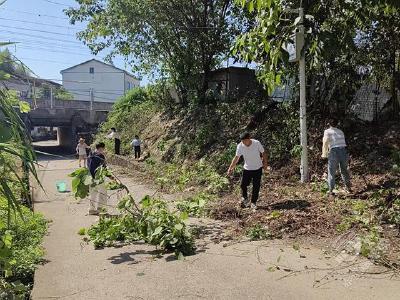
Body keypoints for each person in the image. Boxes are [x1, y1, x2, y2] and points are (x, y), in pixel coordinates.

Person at [227, 132, 268, 210]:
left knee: (256, 186)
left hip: (257, 168)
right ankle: (245, 198)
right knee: (243, 185)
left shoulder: (256, 143)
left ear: (249, 138)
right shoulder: (240, 146)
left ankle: (253, 202)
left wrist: (265, 164)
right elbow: (236, 158)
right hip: (247, 168)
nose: (244, 143)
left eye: (245, 141)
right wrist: (230, 168)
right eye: (242, 141)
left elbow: (264, 153)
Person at [322, 118, 352, 195]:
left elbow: (325, 142)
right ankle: (348, 188)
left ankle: (331, 190)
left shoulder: (327, 131)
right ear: (337, 124)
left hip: (334, 151)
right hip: (344, 151)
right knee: (344, 170)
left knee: (331, 172)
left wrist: (324, 154)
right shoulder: (340, 131)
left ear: (329, 124)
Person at [88, 142, 107, 215]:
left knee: (93, 193)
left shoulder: (90, 155)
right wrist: (111, 176)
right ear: (101, 148)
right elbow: (104, 168)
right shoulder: (100, 156)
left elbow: (89, 167)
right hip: (99, 178)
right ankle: (100, 208)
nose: (103, 150)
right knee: (102, 192)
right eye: (103, 149)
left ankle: (91, 209)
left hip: (90, 177)